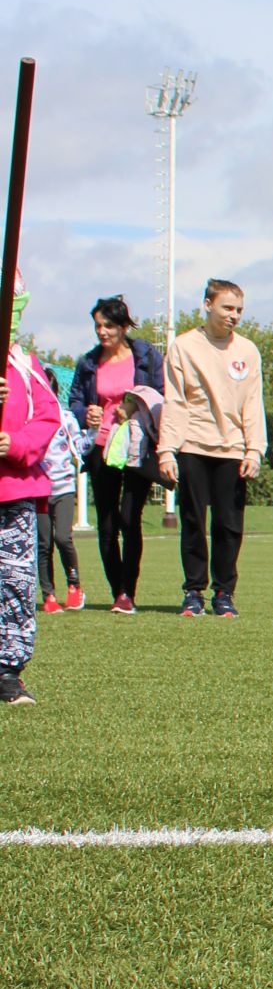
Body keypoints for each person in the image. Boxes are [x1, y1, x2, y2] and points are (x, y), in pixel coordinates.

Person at [157, 279, 266, 617]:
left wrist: (254, 450)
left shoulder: (247, 351)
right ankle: (193, 592)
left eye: (239, 310)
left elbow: (253, 402)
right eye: (227, 308)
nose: (234, 316)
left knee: (229, 525)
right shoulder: (183, 346)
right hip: (192, 445)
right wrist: (166, 450)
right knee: (193, 523)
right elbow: (174, 400)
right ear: (207, 305)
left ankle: (224, 593)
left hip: (233, 450)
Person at [69, 295, 165, 614]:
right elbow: (76, 403)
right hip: (101, 448)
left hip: (136, 447)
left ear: (124, 327)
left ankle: (128, 591)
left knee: (129, 518)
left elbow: (160, 396)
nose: (102, 332)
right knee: (107, 523)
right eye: (97, 325)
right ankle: (118, 592)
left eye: (108, 325)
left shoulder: (147, 356)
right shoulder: (87, 362)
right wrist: (88, 415)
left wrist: (132, 405)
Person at [0, 291, 61, 705]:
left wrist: (15, 444)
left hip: (14, 490)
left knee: (16, 582)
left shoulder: (24, 364)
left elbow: (47, 414)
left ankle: (7, 670)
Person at [38, 397, 86, 613]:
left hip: (64, 487)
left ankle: (74, 584)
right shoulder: (29, 419)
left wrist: (93, 431)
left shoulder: (66, 418)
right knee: (44, 543)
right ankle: (48, 594)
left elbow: (81, 446)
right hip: (38, 489)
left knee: (62, 537)